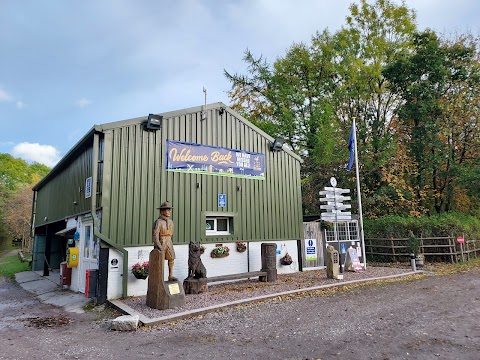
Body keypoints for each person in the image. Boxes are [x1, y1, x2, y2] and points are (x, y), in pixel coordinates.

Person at [152, 201, 177, 281]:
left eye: (170, 209)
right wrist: (159, 245)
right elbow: (155, 235)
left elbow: (171, 233)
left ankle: (170, 275)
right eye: (167, 210)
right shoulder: (158, 222)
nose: (169, 211)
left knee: (171, 257)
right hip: (161, 241)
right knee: (160, 259)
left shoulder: (171, 221)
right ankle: (159, 277)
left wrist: (168, 240)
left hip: (169, 240)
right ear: (162, 211)